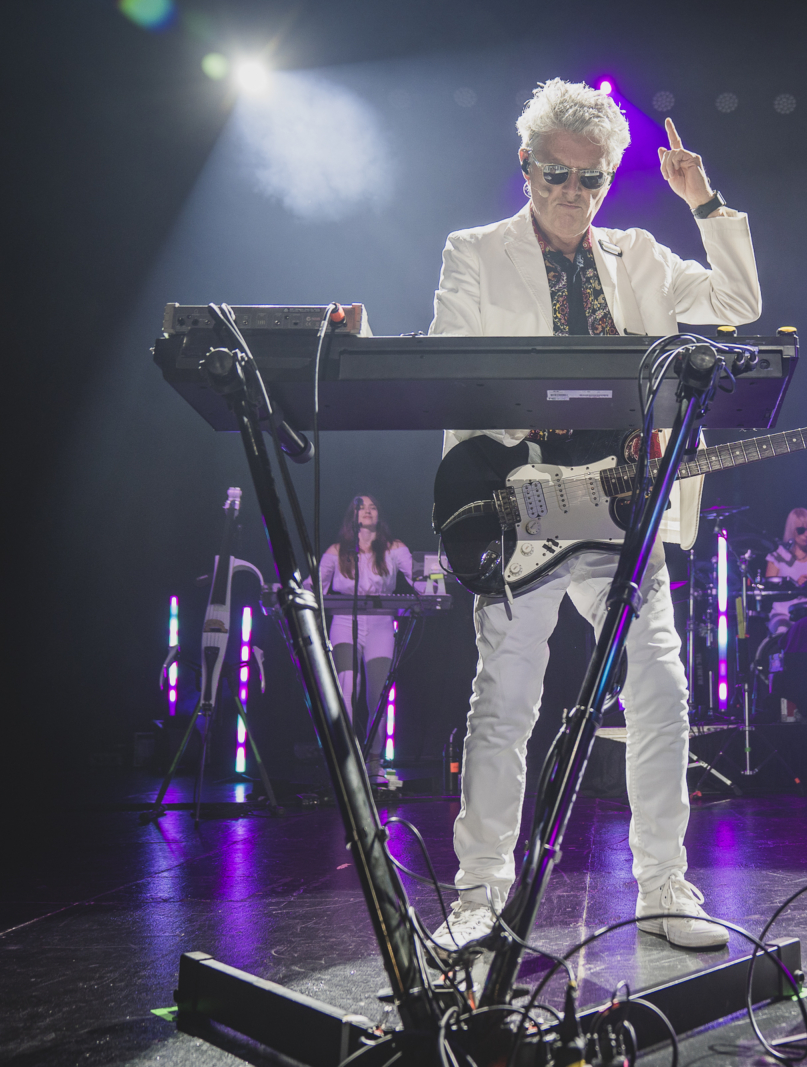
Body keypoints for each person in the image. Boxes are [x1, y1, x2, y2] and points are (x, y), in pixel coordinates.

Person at [428, 79, 761, 951]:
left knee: (662, 691)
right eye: (555, 174)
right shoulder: (474, 251)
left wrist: (705, 203)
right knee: (505, 700)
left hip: (624, 514)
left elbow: (739, 306)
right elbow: (449, 366)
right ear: (525, 166)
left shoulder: (643, 255)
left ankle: (663, 885)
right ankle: (478, 894)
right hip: (530, 505)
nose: (571, 194)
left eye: (590, 180)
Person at [317, 495, 413, 784]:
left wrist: (437, 581)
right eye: (362, 507)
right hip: (345, 622)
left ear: (378, 514)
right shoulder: (336, 552)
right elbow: (315, 586)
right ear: (353, 515)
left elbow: (420, 578)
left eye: (373, 507)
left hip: (381, 625)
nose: (368, 511)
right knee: (347, 687)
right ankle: (346, 757)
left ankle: (374, 760)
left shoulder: (395, 549)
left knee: (377, 693)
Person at [763, 507, 807, 635]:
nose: (806, 534)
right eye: (801, 530)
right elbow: (769, 590)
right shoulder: (778, 554)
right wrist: (795, 585)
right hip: (783, 615)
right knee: (783, 631)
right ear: (792, 531)